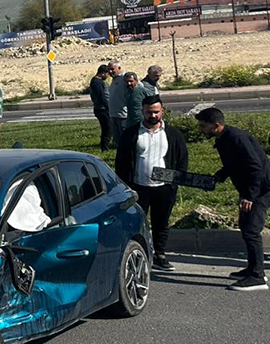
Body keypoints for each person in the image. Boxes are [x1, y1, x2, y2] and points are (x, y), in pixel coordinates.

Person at [196, 107, 270, 291]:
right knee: (246, 228)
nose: (200, 129)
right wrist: (219, 176)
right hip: (251, 189)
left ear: (216, 125)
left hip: (261, 189)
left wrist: (249, 196)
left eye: (203, 126)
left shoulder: (237, 138)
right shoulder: (224, 139)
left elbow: (256, 167)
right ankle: (252, 268)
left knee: (252, 230)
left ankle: (258, 277)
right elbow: (233, 164)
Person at [115, 96, 187, 271]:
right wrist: (124, 186)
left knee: (161, 222)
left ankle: (160, 255)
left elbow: (182, 159)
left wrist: (176, 181)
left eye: (156, 111)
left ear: (162, 111)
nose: (153, 115)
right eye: (149, 112)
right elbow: (122, 161)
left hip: (164, 188)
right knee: (137, 223)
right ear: (143, 112)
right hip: (138, 187)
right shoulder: (132, 133)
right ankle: (138, 255)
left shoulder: (172, 134)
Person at [89, 64, 112, 151]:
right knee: (107, 129)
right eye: (107, 74)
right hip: (102, 109)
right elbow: (101, 96)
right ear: (102, 73)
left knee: (107, 128)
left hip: (102, 108)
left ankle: (105, 146)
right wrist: (108, 107)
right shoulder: (97, 83)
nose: (107, 76)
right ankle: (104, 148)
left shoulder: (97, 82)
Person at [107, 61, 128, 145]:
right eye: (109, 70)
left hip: (123, 115)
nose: (110, 72)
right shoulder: (114, 80)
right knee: (117, 140)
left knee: (124, 139)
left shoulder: (124, 78)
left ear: (119, 68)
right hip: (113, 114)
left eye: (112, 69)